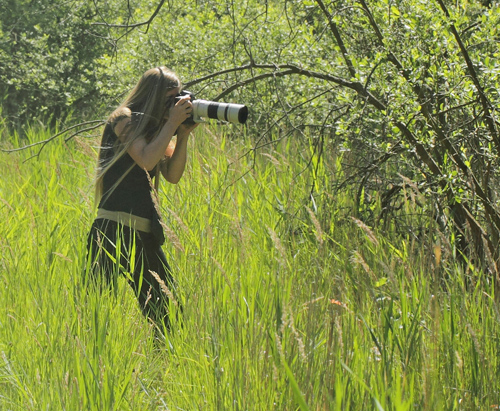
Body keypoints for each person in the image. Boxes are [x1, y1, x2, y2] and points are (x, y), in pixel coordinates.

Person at [86, 66, 197, 331]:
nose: (173, 106)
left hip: (144, 235)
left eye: (178, 99)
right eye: (169, 100)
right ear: (152, 96)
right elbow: (147, 159)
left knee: (168, 321)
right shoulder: (123, 120)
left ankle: (167, 369)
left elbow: (172, 175)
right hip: (112, 232)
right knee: (97, 322)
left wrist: (182, 135)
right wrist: (170, 123)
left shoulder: (155, 131)